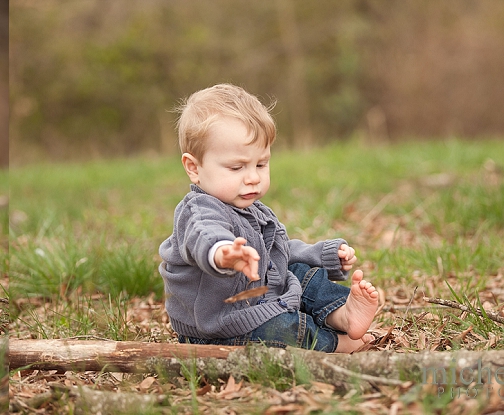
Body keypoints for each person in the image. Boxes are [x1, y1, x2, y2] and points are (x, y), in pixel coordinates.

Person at [159, 84, 379, 353]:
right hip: (217, 326)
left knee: (302, 274)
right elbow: (205, 236)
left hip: (258, 300)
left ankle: (342, 313)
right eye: (237, 167)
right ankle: (336, 343)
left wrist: (323, 255)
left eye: (261, 164)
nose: (253, 177)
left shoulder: (256, 210)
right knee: (280, 328)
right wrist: (223, 253)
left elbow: (281, 250)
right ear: (194, 168)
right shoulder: (198, 210)